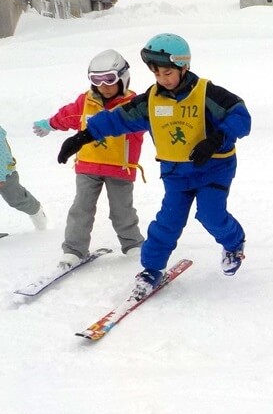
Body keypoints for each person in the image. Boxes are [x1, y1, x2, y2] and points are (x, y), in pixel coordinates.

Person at [57, 33, 251, 301]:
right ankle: (151, 270)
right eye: (157, 73)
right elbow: (116, 120)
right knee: (167, 223)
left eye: (168, 72)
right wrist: (82, 137)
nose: (163, 78)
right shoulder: (151, 101)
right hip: (176, 174)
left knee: (210, 214)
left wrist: (216, 139)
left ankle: (234, 243)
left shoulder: (207, 93)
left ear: (184, 66)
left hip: (213, 168)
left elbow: (241, 116)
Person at [33, 49, 145, 268]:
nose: (103, 86)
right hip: (88, 165)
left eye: (109, 80)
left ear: (122, 77)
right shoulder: (86, 101)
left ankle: (133, 244)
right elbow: (68, 115)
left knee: (122, 210)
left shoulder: (133, 105)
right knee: (81, 209)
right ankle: (74, 250)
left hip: (120, 167)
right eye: (97, 80)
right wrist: (51, 124)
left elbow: (154, 125)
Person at [1, 125, 47, 230]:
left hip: (5, 173)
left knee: (16, 199)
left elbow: (1, 155)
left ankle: (37, 213)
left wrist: (0, 177)